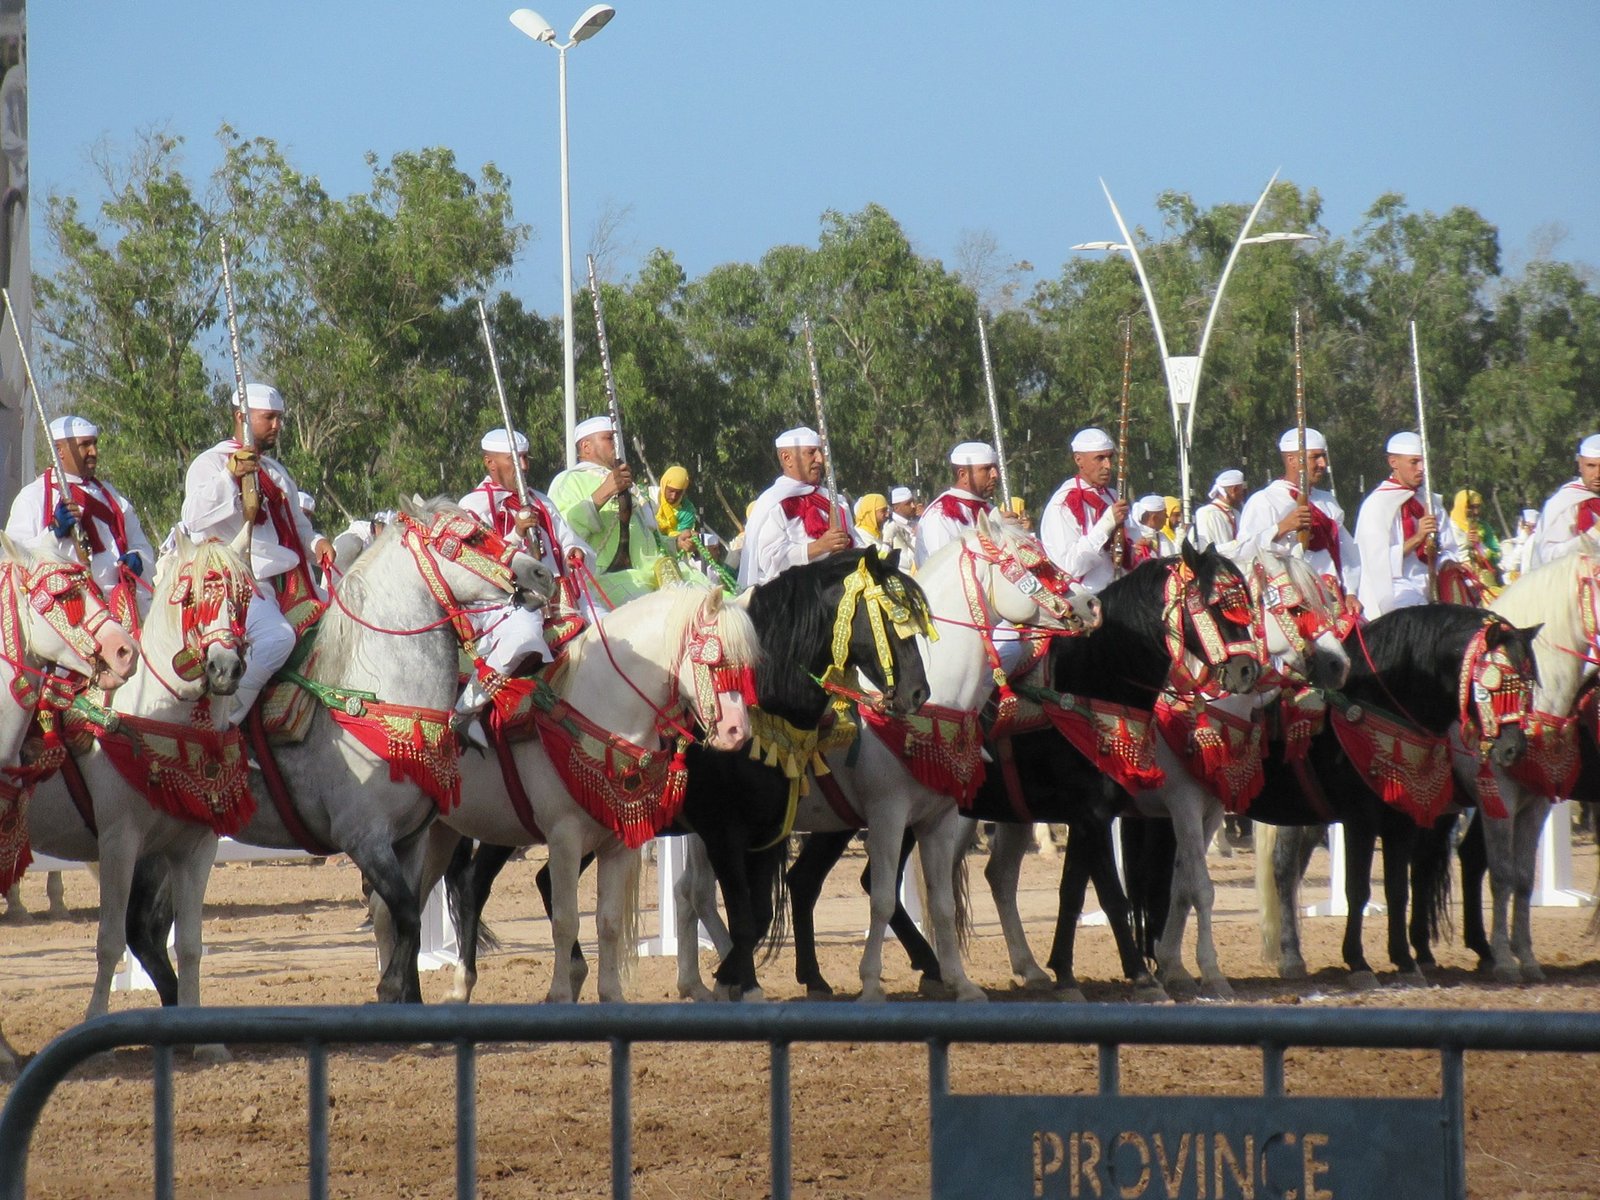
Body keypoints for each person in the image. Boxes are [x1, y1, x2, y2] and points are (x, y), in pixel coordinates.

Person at [181, 383, 332, 727]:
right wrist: (230, 477)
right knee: (278, 637)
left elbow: (298, 529)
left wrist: (319, 544)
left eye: (279, 419)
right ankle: (227, 717)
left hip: (286, 584)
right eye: (270, 418)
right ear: (241, 417)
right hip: (233, 585)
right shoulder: (209, 463)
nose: (277, 426)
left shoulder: (278, 473)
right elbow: (193, 518)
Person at [454, 427, 592, 739]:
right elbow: (477, 563)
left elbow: (569, 538)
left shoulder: (541, 501)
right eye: (515, 460)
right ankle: (466, 710)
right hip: (502, 602)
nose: (525, 467)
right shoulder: (473, 505)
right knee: (524, 636)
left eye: (526, 459)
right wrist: (516, 533)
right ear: (490, 463)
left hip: (559, 600)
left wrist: (574, 551)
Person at [5, 415, 154, 618]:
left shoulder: (112, 497)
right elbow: (13, 559)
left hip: (121, 610)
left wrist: (138, 558)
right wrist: (53, 533)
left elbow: (140, 544)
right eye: (85, 445)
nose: (94, 452)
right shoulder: (34, 496)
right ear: (59, 451)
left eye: (94, 444)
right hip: (69, 617)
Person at [547, 415, 670, 606]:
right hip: (599, 580)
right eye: (609, 438)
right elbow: (561, 532)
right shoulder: (568, 480)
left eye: (617, 438)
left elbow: (648, 537)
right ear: (586, 446)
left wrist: (676, 542)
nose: (617, 444)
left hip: (648, 574)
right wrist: (604, 492)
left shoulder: (630, 484)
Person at [1237, 427, 1361, 605]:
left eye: (1323, 456)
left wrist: (1351, 592)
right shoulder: (1265, 500)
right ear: (1292, 460)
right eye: (1315, 457)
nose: (1323, 464)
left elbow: (1347, 552)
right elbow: (1244, 553)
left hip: (1334, 598)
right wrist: (1281, 528)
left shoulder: (1327, 501)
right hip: (1289, 603)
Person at [738, 426, 862, 589]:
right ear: (787, 458)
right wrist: (819, 547)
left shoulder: (836, 501)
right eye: (811, 453)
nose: (819, 459)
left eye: (820, 452)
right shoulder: (773, 503)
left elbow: (857, 544)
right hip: (795, 596)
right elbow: (771, 561)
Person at [1353, 432, 1462, 616]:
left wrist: (1446, 562)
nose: (1421, 469)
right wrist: (1418, 538)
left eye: (1423, 462)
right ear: (1393, 462)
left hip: (1433, 583)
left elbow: (1450, 549)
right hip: (1395, 587)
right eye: (1414, 462)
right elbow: (1375, 561)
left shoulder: (1430, 501)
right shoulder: (1377, 504)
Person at [1039, 427, 1130, 593]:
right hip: (1086, 601)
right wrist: (1107, 523)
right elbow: (1071, 565)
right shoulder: (1064, 503)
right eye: (1100, 458)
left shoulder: (1113, 496)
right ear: (1079, 460)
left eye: (1110, 457)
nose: (1108, 465)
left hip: (1121, 594)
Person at [914, 441, 1005, 566]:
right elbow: (947, 568)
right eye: (987, 469)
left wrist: (1008, 530)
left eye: (995, 468)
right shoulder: (941, 514)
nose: (995, 475)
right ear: (963, 475)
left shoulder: (990, 509)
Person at [1527, 434, 1600, 568]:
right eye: (1591, 466)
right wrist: (1594, 533)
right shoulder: (1565, 503)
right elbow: (1549, 557)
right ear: (1580, 465)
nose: (1597, 474)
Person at [1449, 489, 1502, 594]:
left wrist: (1480, 545)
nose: (1476, 512)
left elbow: (1497, 554)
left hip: (1484, 581)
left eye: (1478, 507)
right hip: (1457, 580)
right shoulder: (1448, 527)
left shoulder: (1484, 527)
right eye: (1471, 507)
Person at [1192, 469, 1248, 559]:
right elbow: (1204, 551)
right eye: (1242, 491)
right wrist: (1236, 545)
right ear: (1234, 490)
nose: (1243, 495)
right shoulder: (1205, 514)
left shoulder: (1237, 514)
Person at [1129, 494, 1178, 564]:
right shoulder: (1135, 537)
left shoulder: (1162, 537)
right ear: (1154, 517)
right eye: (1164, 513)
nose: (1167, 516)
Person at [1499, 508, 1540, 581]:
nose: (1530, 530)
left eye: (1533, 527)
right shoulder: (1508, 544)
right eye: (1528, 526)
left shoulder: (1538, 545)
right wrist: (1523, 541)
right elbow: (1510, 566)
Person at [881, 485, 919, 563]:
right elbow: (883, 557)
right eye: (908, 503)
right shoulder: (891, 528)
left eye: (913, 502)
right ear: (896, 508)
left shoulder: (912, 523)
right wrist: (915, 536)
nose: (913, 506)